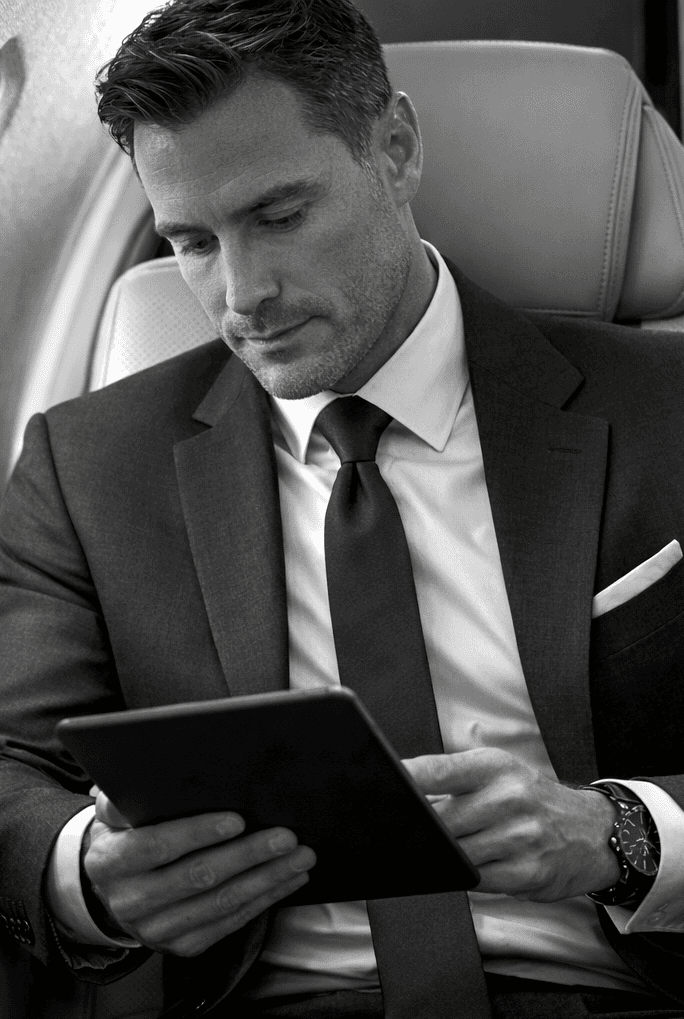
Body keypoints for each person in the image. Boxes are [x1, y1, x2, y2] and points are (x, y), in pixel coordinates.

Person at [0, 1, 684, 1016]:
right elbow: (12, 767)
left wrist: (622, 834)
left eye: (278, 218)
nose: (242, 295)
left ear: (396, 150)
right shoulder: (86, 464)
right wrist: (84, 871)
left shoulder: (665, 408)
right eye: (191, 241)